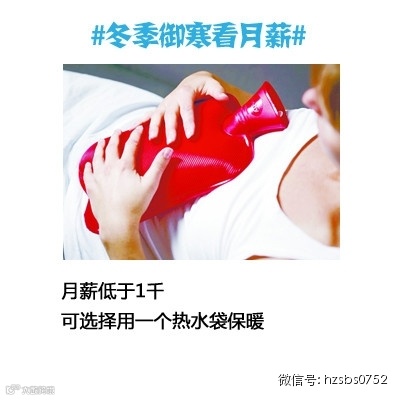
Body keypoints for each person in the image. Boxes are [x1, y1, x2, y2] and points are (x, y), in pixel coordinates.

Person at [67, 65, 340, 260]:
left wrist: (119, 234)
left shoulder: (292, 254)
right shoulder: (328, 121)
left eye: (335, 103)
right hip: (105, 113)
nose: (310, 97)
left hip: (76, 228)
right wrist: (200, 84)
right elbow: (246, 109)